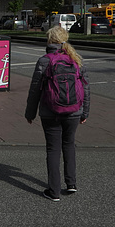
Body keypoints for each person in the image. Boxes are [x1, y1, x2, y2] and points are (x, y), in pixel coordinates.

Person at [25, 26, 90, 202]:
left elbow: (35, 90)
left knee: (53, 149)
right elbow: (85, 88)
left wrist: (30, 113)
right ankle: (71, 183)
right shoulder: (75, 59)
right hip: (74, 111)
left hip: (50, 112)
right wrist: (85, 112)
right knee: (69, 145)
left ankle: (53, 191)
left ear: (49, 40)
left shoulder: (44, 61)